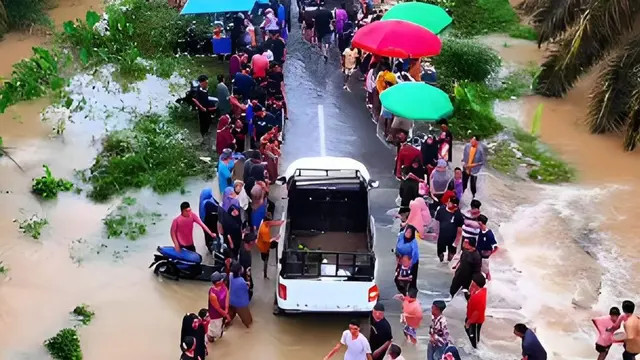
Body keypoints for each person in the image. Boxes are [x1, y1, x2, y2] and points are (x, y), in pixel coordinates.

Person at [434, 196, 464, 262]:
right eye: (450, 201)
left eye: (452, 203)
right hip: (442, 237)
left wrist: (456, 241)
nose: (449, 203)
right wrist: (436, 233)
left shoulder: (458, 214)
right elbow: (436, 222)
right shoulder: (441, 210)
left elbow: (459, 230)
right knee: (440, 254)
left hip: (452, 238)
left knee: (451, 256)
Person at [256, 213, 284, 278]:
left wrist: (280, 223)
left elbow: (272, 223)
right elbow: (268, 241)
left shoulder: (265, 223)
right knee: (265, 259)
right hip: (264, 246)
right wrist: (276, 238)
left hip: (265, 242)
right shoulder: (264, 230)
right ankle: (265, 273)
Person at [395, 225, 420, 292]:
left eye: (409, 233)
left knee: (410, 280)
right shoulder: (401, 236)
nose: (407, 234)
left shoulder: (413, 243)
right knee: (397, 278)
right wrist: (398, 257)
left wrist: (409, 265)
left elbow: (414, 256)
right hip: (401, 260)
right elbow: (397, 246)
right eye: (407, 232)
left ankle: (411, 293)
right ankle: (402, 291)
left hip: (411, 262)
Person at [228, 262, 253, 328]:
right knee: (249, 323)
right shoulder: (241, 281)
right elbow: (247, 287)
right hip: (241, 304)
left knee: (228, 319)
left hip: (231, 301)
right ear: (239, 271)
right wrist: (248, 278)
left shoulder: (230, 275)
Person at [465, 273, 487, 348]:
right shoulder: (479, 291)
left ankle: (476, 349)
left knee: (474, 337)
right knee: (471, 334)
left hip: (475, 321)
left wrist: (469, 322)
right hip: (471, 317)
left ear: (475, 283)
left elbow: (477, 312)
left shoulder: (479, 297)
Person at [192, 75, 217, 141]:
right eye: (206, 82)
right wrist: (201, 107)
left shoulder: (205, 88)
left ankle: (206, 132)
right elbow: (195, 100)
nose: (207, 83)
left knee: (208, 121)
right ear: (202, 82)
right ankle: (203, 135)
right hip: (202, 109)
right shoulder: (198, 90)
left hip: (207, 108)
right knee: (203, 122)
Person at [207, 272, 230, 343]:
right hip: (215, 314)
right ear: (217, 282)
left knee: (221, 325)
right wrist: (226, 314)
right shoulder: (212, 294)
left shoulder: (223, 286)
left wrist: (226, 309)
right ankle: (209, 336)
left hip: (223, 311)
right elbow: (218, 308)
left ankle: (219, 333)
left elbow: (227, 295)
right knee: (214, 328)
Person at [476, 215, 498, 280]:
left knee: (486, 271)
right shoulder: (479, 231)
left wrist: (489, 254)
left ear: (480, 222)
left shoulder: (489, 234)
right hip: (478, 253)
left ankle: (489, 280)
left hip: (485, 256)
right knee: (478, 268)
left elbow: (495, 247)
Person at [199, 188, 220, 254]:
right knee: (212, 234)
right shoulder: (208, 203)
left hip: (206, 220)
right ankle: (214, 249)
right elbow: (217, 208)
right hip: (209, 222)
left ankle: (210, 246)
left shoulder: (205, 200)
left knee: (207, 234)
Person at [238, 232, 256, 299]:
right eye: (254, 241)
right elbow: (248, 272)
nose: (255, 242)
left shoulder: (242, 243)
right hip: (244, 273)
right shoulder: (246, 257)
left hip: (240, 270)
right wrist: (249, 283)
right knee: (249, 287)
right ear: (251, 243)